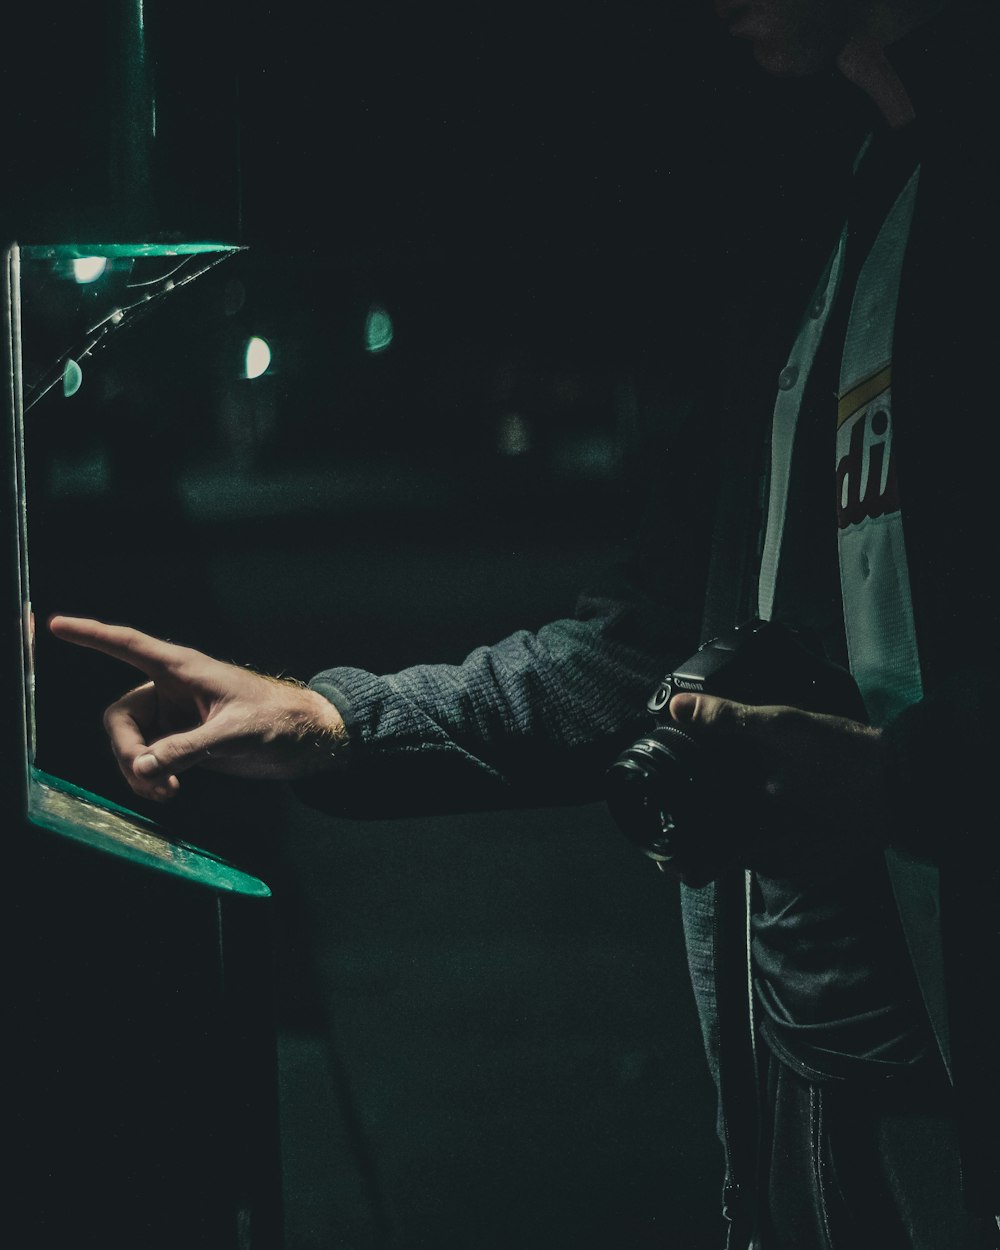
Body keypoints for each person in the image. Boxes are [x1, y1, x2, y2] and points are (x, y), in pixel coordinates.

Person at [49, 1, 999, 1246]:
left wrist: (905, 786)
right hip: (817, 1098)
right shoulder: (832, 217)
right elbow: (645, 653)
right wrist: (338, 718)